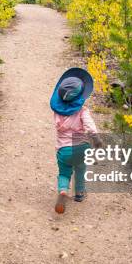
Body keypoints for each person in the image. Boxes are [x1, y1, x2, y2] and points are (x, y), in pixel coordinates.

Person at [49, 67, 102, 214]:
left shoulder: (57, 112)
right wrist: (95, 137)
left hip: (63, 149)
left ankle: (63, 191)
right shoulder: (83, 111)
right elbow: (89, 126)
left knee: (65, 173)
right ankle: (79, 193)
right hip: (81, 147)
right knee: (80, 168)